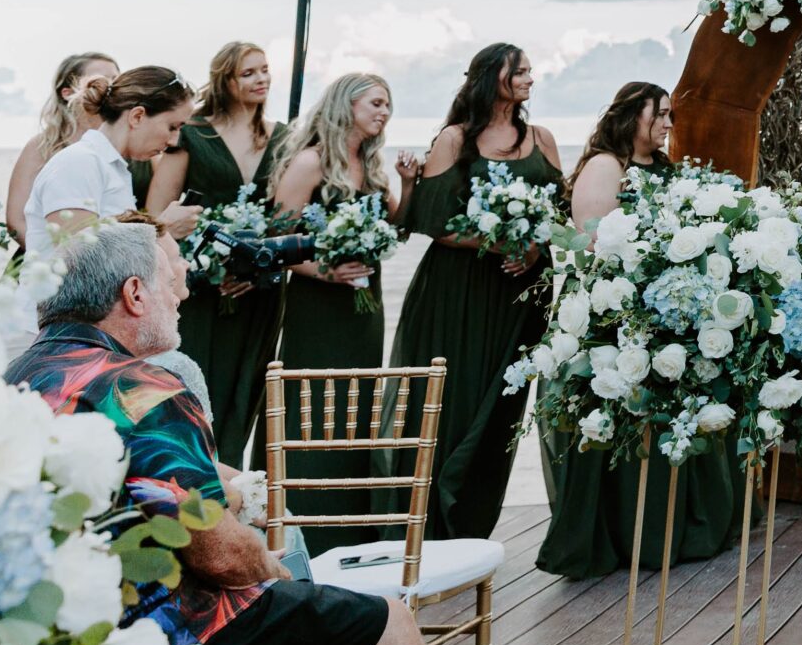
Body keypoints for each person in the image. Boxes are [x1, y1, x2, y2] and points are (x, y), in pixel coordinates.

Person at [8, 218, 446, 645]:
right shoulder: (142, 390)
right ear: (134, 294)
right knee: (388, 625)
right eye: (167, 283)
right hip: (157, 633)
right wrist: (273, 569)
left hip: (40, 628)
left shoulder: (15, 377)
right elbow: (219, 555)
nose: (181, 296)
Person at [539, 82, 742, 579]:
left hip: (664, 302)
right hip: (615, 308)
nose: (670, 125)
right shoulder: (607, 165)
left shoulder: (665, 167)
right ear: (633, 116)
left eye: (671, 116)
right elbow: (591, 242)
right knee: (621, 405)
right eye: (662, 116)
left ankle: (680, 523)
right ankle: (624, 530)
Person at [390, 42, 563, 540]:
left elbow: (558, 210)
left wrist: (533, 249)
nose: (530, 78)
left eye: (531, 70)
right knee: (456, 402)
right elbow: (431, 220)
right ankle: (431, 523)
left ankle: (473, 524)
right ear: (493, 78)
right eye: (521, 71)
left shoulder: (542, 138)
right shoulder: (454, 139)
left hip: (523, 291)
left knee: (503, 407)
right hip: (458, 291)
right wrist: (494, 243)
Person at [270, 72, 413, 532]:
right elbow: (277, 239)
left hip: (364, 310)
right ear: (344, 105)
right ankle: (305, 520)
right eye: (374, 103)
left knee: (358, 404)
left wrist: (408, 185)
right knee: (312, 403)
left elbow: (397, 229)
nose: (383, 112)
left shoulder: (371, 166)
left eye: (387, 105)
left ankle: (353, 522)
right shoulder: (311, 162)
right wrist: (326, 272)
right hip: (317, 307)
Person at [148, 41, 288, 465]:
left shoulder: (282, 137)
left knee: (245, 393)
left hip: (257, 292)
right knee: (197, 388)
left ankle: (235, 486)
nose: (261, 78)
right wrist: (205, 265)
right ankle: (196, 483)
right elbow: (156, 214)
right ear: (225, 80)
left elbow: (286, 219)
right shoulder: (193, 134)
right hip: (201, 291)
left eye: (264, 70)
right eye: (248, 73)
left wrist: (256, 268)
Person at [27, 65, 199, 253]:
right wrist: (163, 230)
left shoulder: (112, 167)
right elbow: (76, 256)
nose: (174, 140)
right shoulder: (79, 163)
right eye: (173, 127)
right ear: (137, 116)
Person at [4, 50, 117, 246]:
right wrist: (52, 263)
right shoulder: (42, 146)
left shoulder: (135, 147)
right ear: (67, 92)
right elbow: (16, 220)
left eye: (116, 80)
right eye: (102, 80)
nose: (112, 88)